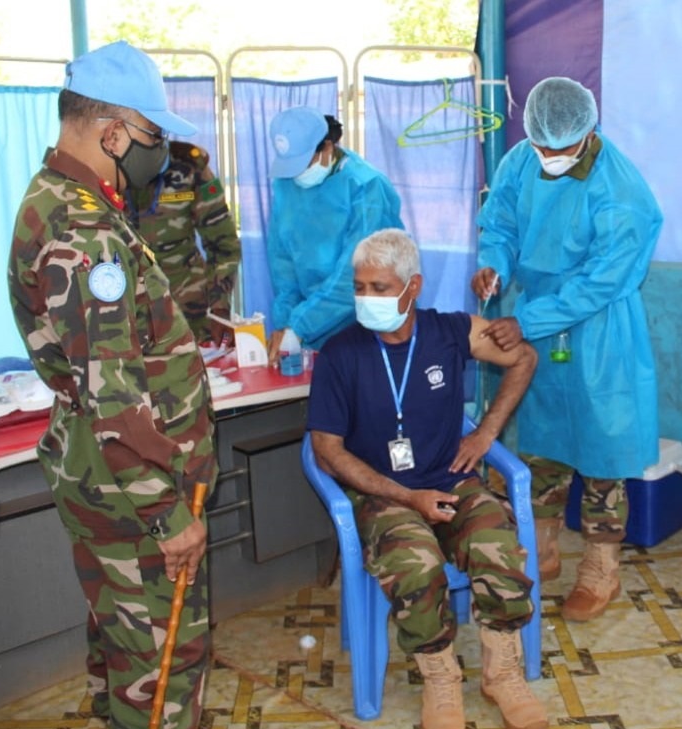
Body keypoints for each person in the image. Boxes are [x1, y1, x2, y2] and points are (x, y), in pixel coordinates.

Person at [6, 41, 215, 729]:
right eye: (153, 137)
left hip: (100, 478)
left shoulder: (53, 200)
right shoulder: (89, 234)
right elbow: (115, 401)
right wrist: (167, 514)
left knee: (121, 644)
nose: (161, 153)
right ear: (113, 133)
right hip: (135, 493)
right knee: (161, 669)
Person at [308, 229, 545, 729]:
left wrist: (485, 433)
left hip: (451, 480)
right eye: (360, 287)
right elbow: (326, 451)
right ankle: (440, 678)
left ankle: (501, 673)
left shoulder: (450, 331)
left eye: (379, 286)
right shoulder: (339, 354)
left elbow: (524, 358)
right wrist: (406, 496)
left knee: (497, 543)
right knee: (416, 566)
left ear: (413, 287)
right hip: (382, 495)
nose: (366, 299)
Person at [472, 76, 663, 623]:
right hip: (531, 318)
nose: (548, 157)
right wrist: (495, 267)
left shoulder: (621, 191)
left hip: (598, 329)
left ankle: (602, 566)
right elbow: (501, 224)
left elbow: (604, 281)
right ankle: (544, 547)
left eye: (559, 148)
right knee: (539, 443)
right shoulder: (520, 159)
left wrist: (526, 318)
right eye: (540, 147)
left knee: (603, 451)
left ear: (587, 132)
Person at [264, 106, 404, 361]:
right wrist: (286, 323)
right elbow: (282, 263)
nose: (296, 174)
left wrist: (299, 327)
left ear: (327, 147)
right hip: (309, 325)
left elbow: (356, 276)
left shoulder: (365, 187)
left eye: (302, 163)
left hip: (365, 324)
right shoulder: (286, 182)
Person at [127, 141, 241, 346]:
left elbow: (224, 245)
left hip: (190, 313)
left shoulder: (190, 169)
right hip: (128, 319)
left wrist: (219, 308)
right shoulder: (102, 170)